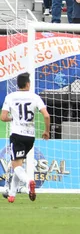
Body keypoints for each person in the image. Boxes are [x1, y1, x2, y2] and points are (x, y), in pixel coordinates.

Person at [1, 73, 51, 204]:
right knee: (18, 164)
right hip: (30, 137)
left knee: (16, 165)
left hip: (17, 135)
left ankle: (29, 182)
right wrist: (46, 131)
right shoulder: (35, 97)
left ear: (18, 84)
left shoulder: (10, 97)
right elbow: (46, 116)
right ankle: (12, 195)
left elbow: (3, 117)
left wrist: (13, 118)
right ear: (28, 84)